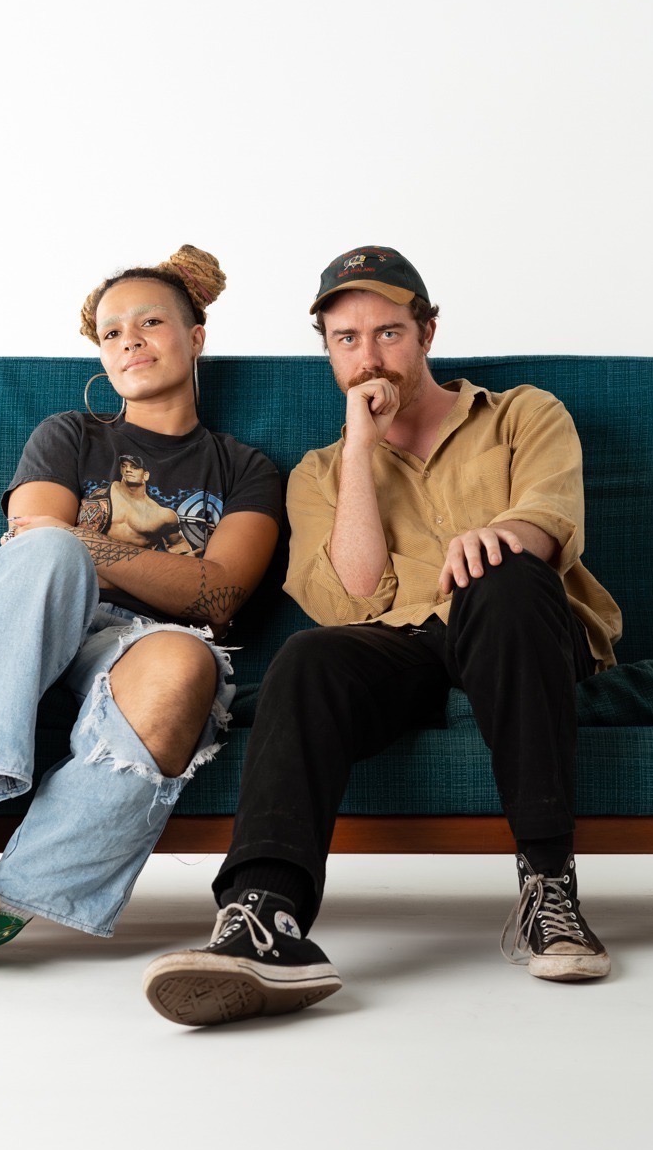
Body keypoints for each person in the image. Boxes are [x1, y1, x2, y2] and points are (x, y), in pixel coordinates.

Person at [143, 245, 623, 1026]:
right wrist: (362, 449)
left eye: (388, 333)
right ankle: (265, 916)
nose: (368, 356)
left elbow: (550, 519)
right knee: (307, 659)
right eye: (347, 339)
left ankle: (548, 887)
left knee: (504, 576)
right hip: (407, 643)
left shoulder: (523, 413)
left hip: (522, 628)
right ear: (329, 353)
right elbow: (356, 599)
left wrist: (499, 540)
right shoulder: (320, 473)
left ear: (427, 332)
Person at [0, 246, 282, 976]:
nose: (130, 340)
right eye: (112, 333)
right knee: (52, 555)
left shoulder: (246, 469)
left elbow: (217, 597)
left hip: (135, 646)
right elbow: (33, 543)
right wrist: (95, 553)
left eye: (150, 323)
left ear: (196, 336)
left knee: (186, 662)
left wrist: (84, 540)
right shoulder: (71, 435)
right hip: (8, 623)